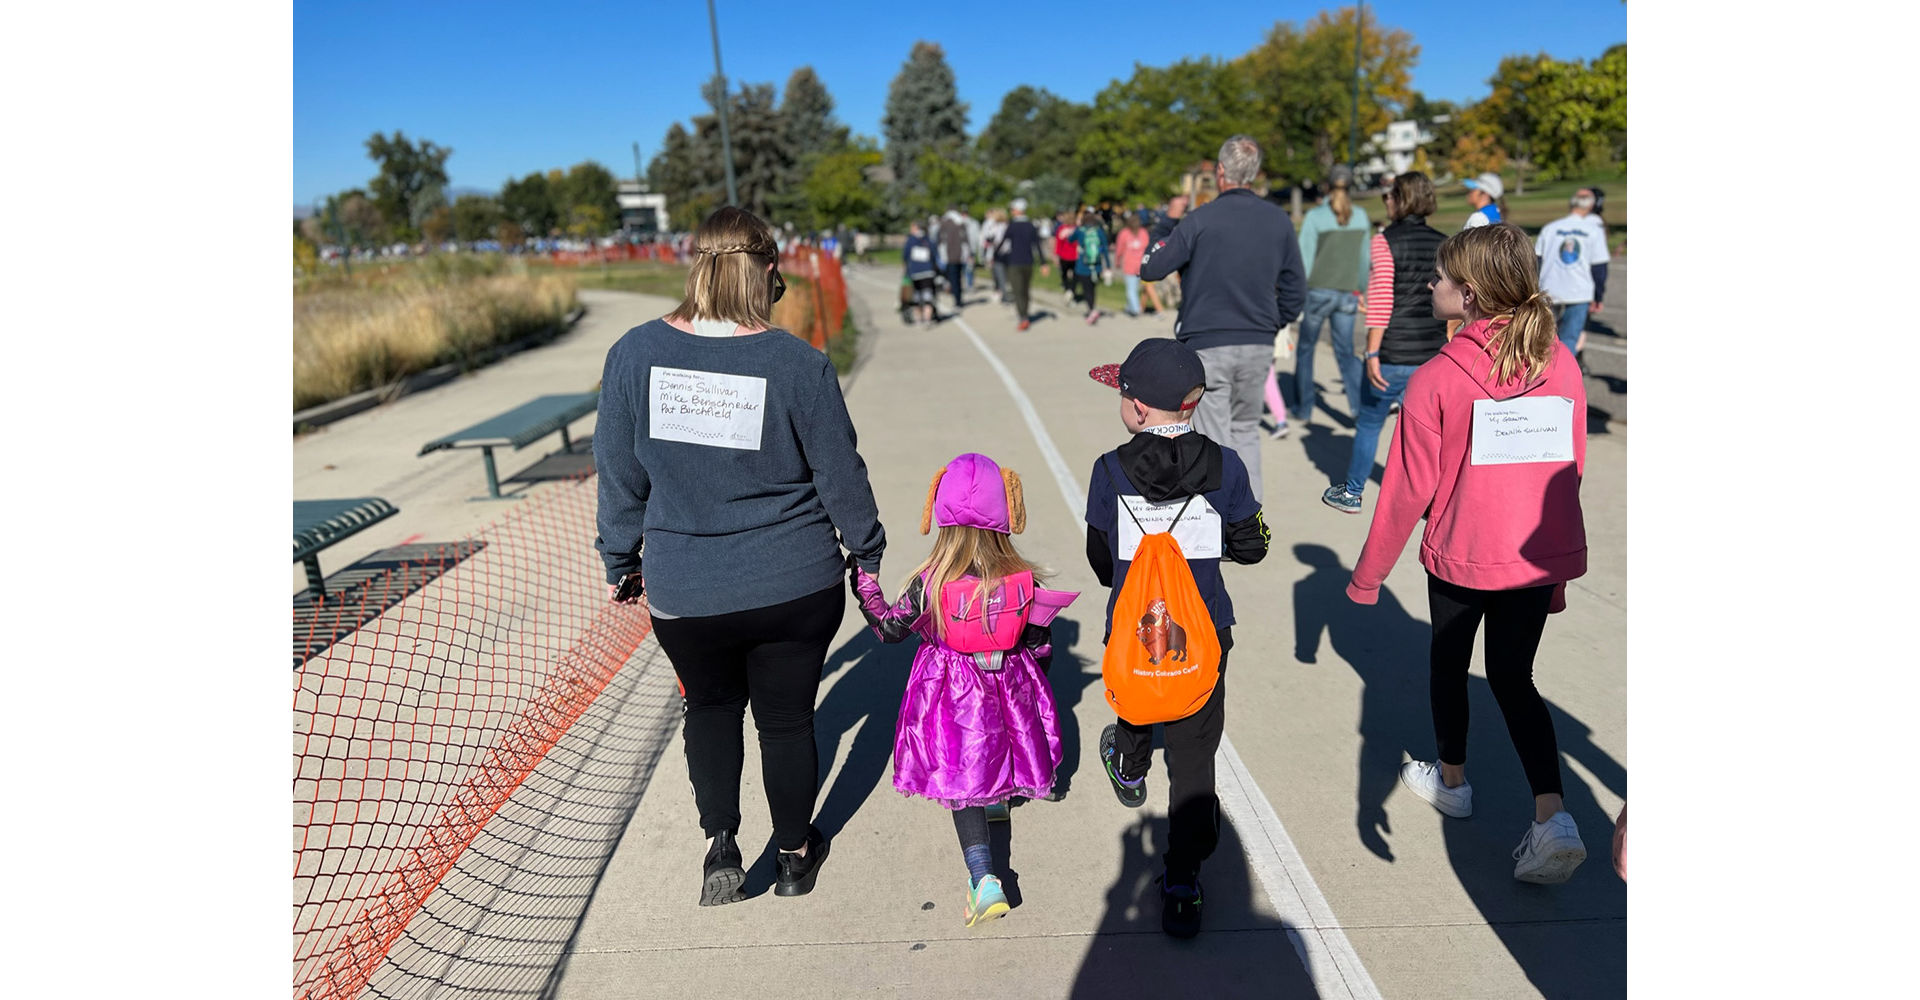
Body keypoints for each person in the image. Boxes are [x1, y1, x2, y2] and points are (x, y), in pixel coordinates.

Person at [595, 205, 887, 905]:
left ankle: (720, 842)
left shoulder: (635, 354)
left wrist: (619, 558)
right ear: (768, 274)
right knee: (787, 719)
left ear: (697, 265)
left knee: (711, 708)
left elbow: (618, 474)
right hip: (794, 578)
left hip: (686, 587)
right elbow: (839, 473)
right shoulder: (797, 363)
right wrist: (867, 552)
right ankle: (793, 853)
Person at [1345, 222, 1591, 885]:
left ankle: (1452, 781)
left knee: (1449, 666)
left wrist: (1368, 577)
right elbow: (1569, 471)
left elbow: (1402, 492)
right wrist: (1558, 569)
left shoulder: (1436, 380)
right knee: (1515, 679)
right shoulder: (1561, 364)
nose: (1431, 283)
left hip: (1462, 555)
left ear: (1471, 295)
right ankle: (1553, 816)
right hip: (1535, 560)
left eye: (1443, 277)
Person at [1084, 337, 1269, 938]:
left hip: (1138, 623)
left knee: (1137, 699)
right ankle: (1184, 878)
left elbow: (1101, 557)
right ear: (1192, 404)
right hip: (1205, 627)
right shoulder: (1227, 465)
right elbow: (1251, 546)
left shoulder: (1109, 470)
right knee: (1194, 749)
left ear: (1137, 409)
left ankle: (1130, 766)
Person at [849, 453, 1074, 927]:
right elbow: (1040, 647)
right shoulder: (1023, 581)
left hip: (952, 692)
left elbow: (890, 630)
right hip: (1007, 679)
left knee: (963, 777)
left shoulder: (930, 584)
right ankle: (1000, 799)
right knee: (1001, 745)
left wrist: (865, 586)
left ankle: (984, 879)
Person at [1138, 135, 1308, 504]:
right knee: (1246, 430)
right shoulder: (1277, 220)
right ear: (1255, 173)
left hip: (1208, 340)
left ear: (1220, 172)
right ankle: (1248, 519)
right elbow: (1296, 286)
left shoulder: (1200, 220)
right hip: (1257, 339)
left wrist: (1165, 223)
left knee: (1214, 437)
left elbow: (1151, 267)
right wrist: (1274, 321)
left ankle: (1217, 522)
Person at [1323, 172, 1448, 515]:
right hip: (1432, 351)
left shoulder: (1384, 240)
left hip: (1393, 350)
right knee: (1424, 432)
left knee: (1370, 422)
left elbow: (1381, 301)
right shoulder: (1444, 242)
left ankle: (1352, 492)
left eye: (1390, 196)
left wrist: (1372, 351)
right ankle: (1430, 499)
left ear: (1401, 199)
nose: (1387, 202)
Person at [1293, 163, 1372, 424]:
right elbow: (1364, 260)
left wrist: (1298, 292)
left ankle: (1304, 408)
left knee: (1306, 349)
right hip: (1348, 292)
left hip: (1318, 291)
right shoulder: (1360, 216)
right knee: (1346, 352)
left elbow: (1304, 259)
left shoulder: (1316, 216)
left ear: (1326, 186)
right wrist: (1360, 288)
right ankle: (1358, 409)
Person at [1535, 187, 1611, 360]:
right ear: (1591, 206)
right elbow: (1599, 268)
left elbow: (1536, 261)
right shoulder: (1594, 230)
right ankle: (1562, 379)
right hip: (1579, 291)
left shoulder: (1550, 228)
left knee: (1543, 337)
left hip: (1549, 288)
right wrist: (1598, 296)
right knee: (1569, 339)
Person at [999, 198, 1047, 331]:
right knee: (1025, 290)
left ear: (1017, 210)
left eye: (1013, 209)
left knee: (1018, 291)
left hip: (1015, 262)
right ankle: (1024, 313)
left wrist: (996, 255)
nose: (1011, 212)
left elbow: (1004, 243)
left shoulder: (1012, 226)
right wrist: (1043, 263)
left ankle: (1023, 317)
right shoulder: (1031, 226)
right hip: (1029, 262)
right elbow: (1037, 245)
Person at [1075, 208, 1109, 324]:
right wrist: (1108, 266)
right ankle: (1092, 308)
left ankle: (1091, 310)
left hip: (1082, 266)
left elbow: (1070, 239)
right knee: (1093, 289)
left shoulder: (1080, 231)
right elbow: (1105, 249)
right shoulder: (1099, 231)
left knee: (1086, 289)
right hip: (1096, 266)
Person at [902, 221, 939, 326]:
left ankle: (919, 319)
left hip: (915, 273)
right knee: (928, 297)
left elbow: (905, 256)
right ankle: (927, 319)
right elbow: (935, 255)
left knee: (916, 297)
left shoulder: (911, 241)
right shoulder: (929, 240)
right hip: (928, 273)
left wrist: (906, 270)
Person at [1114, 214, 1151, 318]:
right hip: (1142, 265)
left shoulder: (1124, 233)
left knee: (1131, 289)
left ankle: (1135, 309)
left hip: (1130, 265)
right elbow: (1148, 248)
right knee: (1134, 288)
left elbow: (1119, 249)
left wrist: (1117, 261)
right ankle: (1129, 307)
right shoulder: (1143, 233)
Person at [937, 205, 971, 312]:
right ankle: (958, 299)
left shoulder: (944, 224)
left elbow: (941, 242)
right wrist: (966, 255)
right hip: (960, 256)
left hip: (950, 257)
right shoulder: (961, 223)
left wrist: (943, 257)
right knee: (958, 279)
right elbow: (965, 241)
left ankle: (957, 301)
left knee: (953, 280)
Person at [980, 208, 1009, 303]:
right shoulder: (1003, 225)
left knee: (998, 274)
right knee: (999, 273)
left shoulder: (998, 226)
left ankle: (1001, 292)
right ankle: (1000, 291)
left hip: (998, 252)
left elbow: (992, 239)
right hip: (1001, 252)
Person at [1054, 211, 1080, 299]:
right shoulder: (1077, 229)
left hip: (1064, 255)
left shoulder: (1061, 228)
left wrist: (1056, 255)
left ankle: (1067, 288)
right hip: (1075, 255)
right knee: (1075, 274)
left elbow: (1058, 243)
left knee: (1064, 274)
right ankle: (1072, 289)